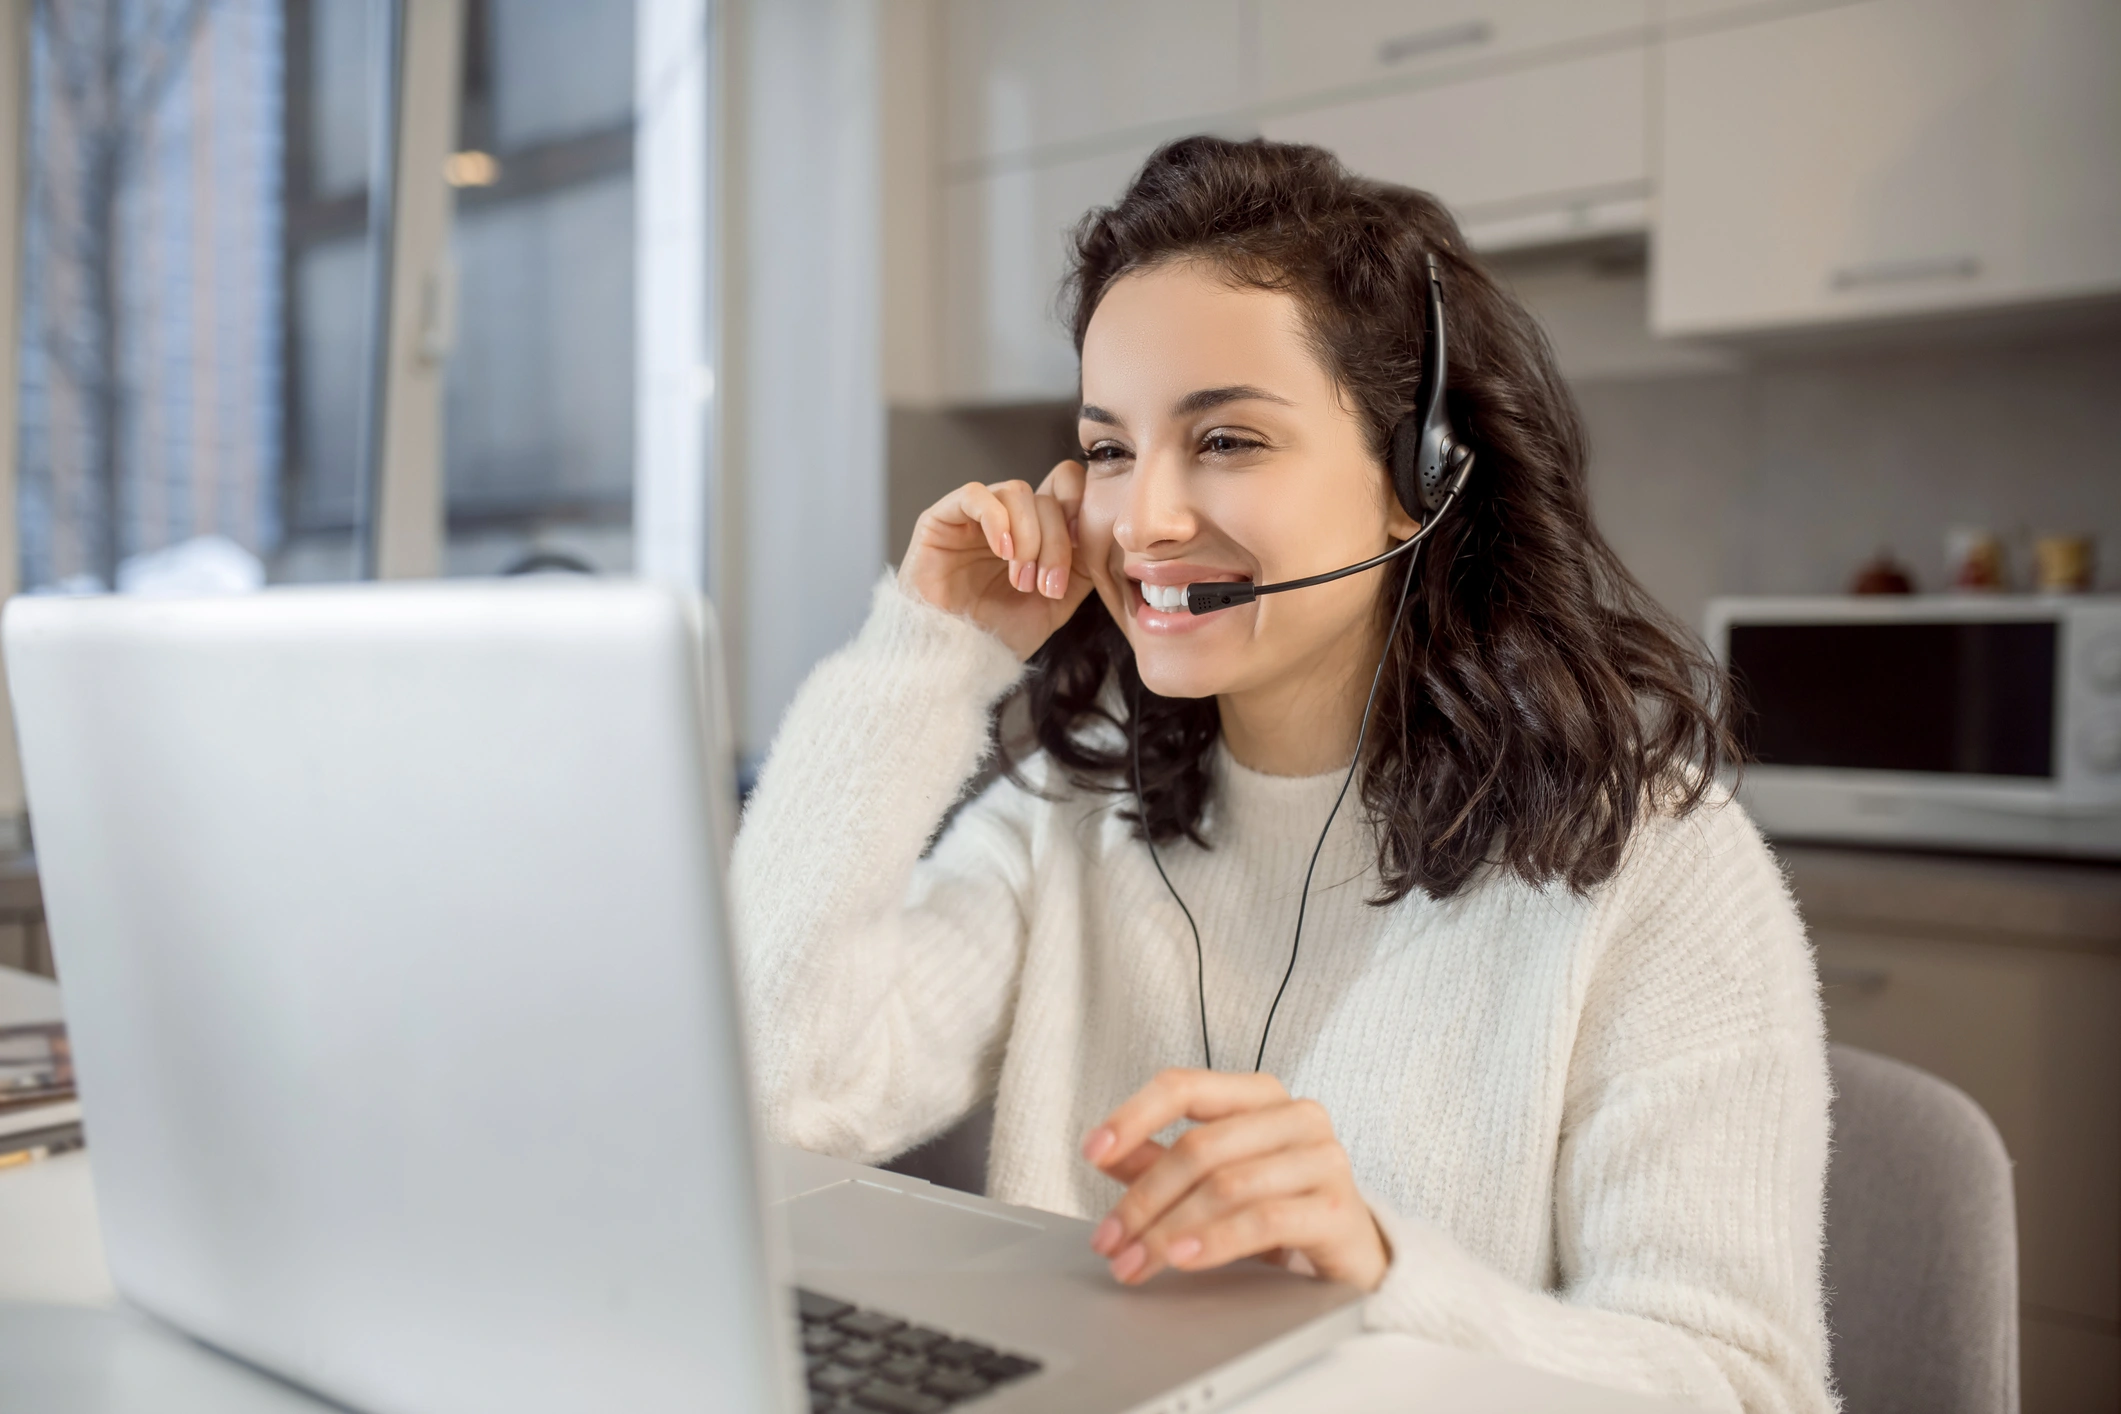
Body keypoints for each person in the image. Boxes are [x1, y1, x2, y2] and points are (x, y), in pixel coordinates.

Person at [732, 136, 1832, 1413]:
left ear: (1418, 480)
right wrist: (927, 651)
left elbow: (1747, 1388)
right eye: (1107, 448)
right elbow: (771, 1097)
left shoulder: (1654, 861)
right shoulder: (1069, 818)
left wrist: (1379, 1272)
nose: (1142, 519)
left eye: (1230, 440)